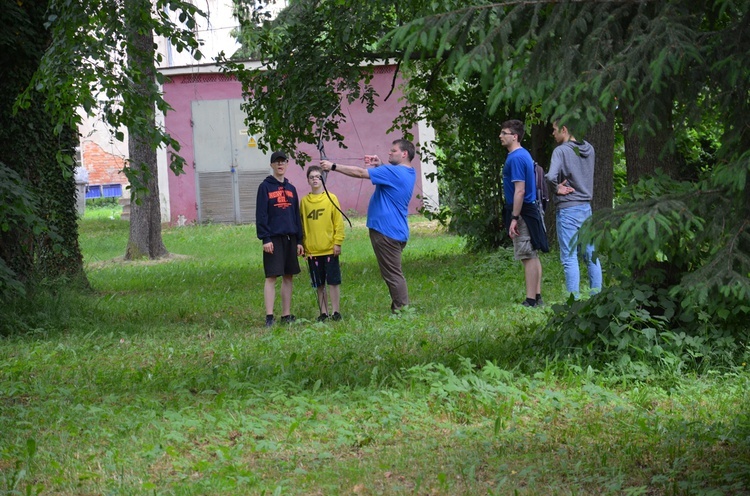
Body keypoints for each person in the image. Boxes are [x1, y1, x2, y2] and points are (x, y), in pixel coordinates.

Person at [321, 139, 416, 312]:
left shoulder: (393, 172)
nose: (389, 153)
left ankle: (403, 312)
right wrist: (380, 165)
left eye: (393, 150)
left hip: (387, 232)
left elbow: (360, 173)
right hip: (395, 230)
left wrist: (333, 166)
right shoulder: (408, 172)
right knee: (392, 273)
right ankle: (399, 309)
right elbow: (389, 177)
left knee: (393, 275)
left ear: (404, 154)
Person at [546, 122, 603, 297]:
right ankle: (597, 297)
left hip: (568, 209)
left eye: (555, 130)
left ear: (564, 129)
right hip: (586, 208)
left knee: (569, 258)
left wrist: (557, 188)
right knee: (591, 255)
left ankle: (573, 303)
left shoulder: (561, 151)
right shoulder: (590, 149)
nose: (553, 134)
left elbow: (550, 176)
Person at [499, 119, 549, 307]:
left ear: (515, 136)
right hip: (528, 209)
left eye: (504, 133)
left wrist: (514, 217)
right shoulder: (522, 155)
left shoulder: (517, 157)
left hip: (523, 211)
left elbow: (520, 190)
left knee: (527, 256)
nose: (501, 136)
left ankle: (530, 300)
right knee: (532, 254)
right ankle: (536, 297)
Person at [256, 151, 305, 327]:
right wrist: (265, 238)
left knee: (288, 276)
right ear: (271, 165)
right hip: (273, 238)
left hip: (290, 237)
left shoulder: (291, 189)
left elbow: (296, 216)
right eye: (276, 162)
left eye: (283, 161)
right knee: (271, 276)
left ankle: (286, 314)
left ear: (287, 164)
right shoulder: (265, 187)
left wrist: (299, 240)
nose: (280, 165)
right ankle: (269, 316)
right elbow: (261, 214)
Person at [300, 165, 346, 322]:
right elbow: (302, 225)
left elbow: (338, 223)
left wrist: (337, 242)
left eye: (318, 177)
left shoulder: (331, 198)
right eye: (311, 177)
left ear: (323, 179)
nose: (315, 179)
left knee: (333, 281)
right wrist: (304, 247)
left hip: (329, 249)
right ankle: (323, 312)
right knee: (319, 284)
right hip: (313, 251)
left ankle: (336, 311)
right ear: (308, 180)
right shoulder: (304, 202)